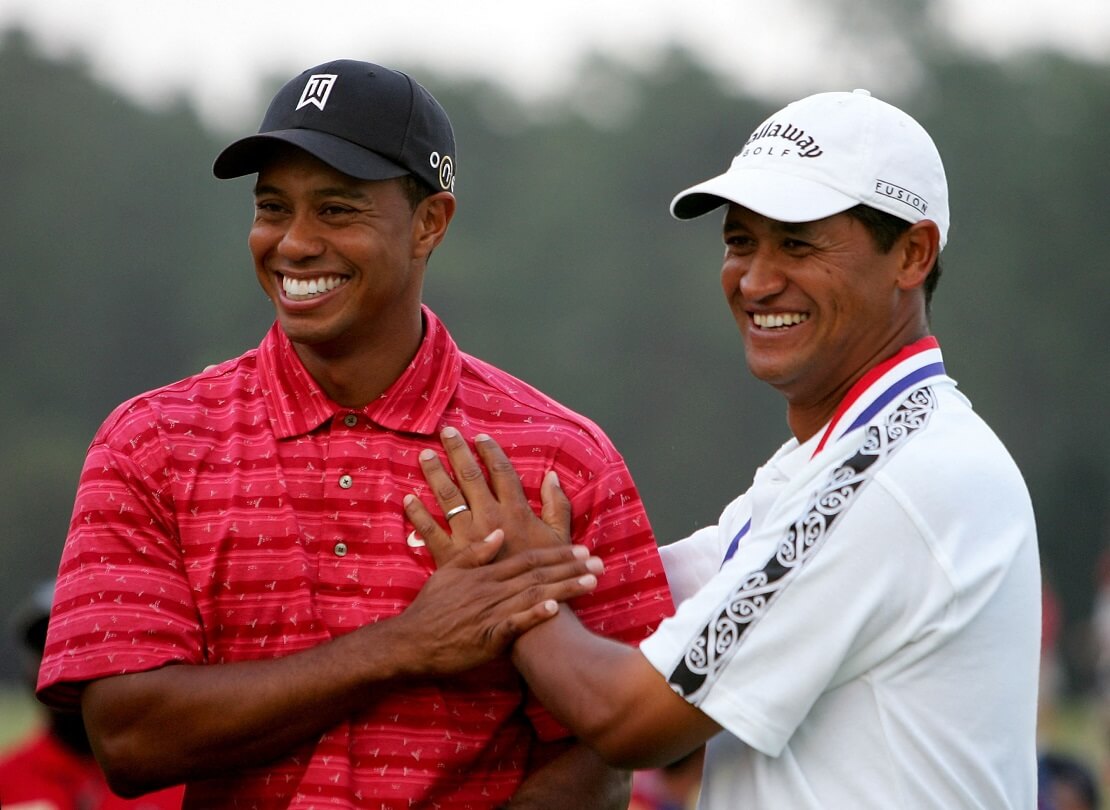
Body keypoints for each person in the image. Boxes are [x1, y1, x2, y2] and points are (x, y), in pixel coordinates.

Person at [36, 59, 673, 809]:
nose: (294, 244)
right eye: (273, 208)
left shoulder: (558, 455)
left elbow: (611, 748)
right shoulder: (153, 443)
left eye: (336, 210)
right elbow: (130, 739)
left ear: (430, 223)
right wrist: (405, 646)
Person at [403, 89, 1042, 807]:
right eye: (742, 242)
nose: (757, 280)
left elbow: (630, 719)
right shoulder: (842, 457)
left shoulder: (894, 475)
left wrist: (509, 587)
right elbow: (630, 585)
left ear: (912, 253)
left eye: (797, 242)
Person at [0, 581, 184, 809]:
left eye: (83, 646)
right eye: (47, 648)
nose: (63, 665)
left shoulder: (176, 775)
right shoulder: (6, 780)